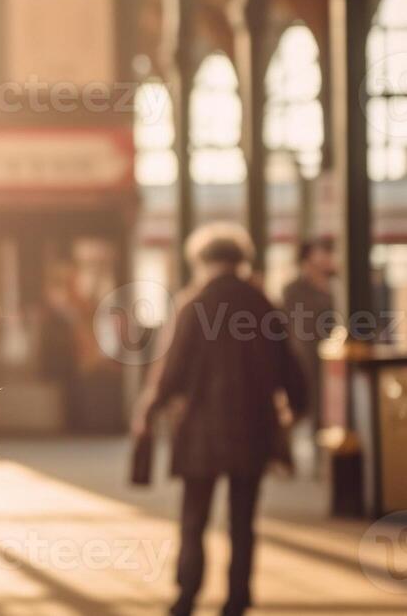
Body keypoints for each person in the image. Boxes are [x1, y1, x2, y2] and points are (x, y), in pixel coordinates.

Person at [133, 223, 307, 616]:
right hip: (253, 426)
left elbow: (172, 371)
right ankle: (237, 598)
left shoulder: (193, 304)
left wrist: (149, 408)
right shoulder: (262, 304)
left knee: (194, 515)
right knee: (243, 518)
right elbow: (290, 368)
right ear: (240, 261)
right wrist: (296, 408)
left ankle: (187, 595)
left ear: (202, 261)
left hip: (200, 429)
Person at [281, 237, 338, 436]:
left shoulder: (336, 285)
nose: (327, 258)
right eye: (321, 253)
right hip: (307, 356)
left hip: (333, 356)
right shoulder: (294, 289)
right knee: (309, 409)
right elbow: (298, 327)